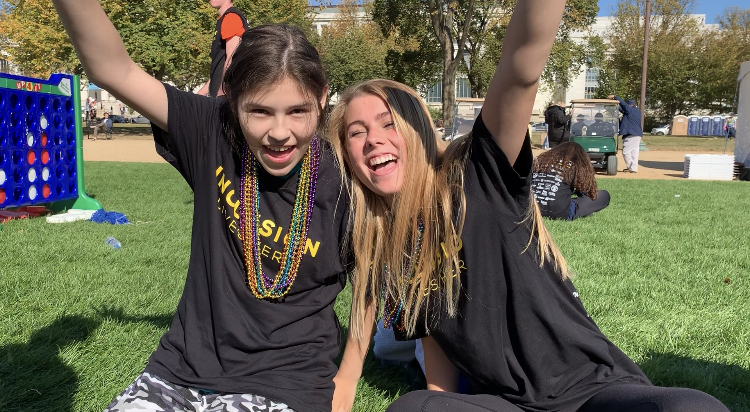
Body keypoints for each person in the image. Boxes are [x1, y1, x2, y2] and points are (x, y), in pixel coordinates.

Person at [329, 0, 731, 411]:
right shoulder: (396, 247)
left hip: (592, 391)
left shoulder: (479, 177)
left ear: (417, 129)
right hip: (507, 404)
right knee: (413, 408)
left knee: (691, 407)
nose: (372, 139)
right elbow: (438, 351)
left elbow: (521, 69)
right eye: (355, 133)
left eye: (387, 122)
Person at [51, 2, 367, 411]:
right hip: (179, 373)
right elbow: (114, 70)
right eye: (259, 111)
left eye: (298, 111)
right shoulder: (212, 131)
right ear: (233, 100)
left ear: (322, 99)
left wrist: (348, 376)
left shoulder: (345, 180)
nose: (279, 133)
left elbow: (371, 279)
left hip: (287, 383)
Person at [532, 142, 610, 220]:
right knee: (604, 195)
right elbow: (588, 192)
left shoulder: (541, 162)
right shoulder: (573, 165)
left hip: (532, 209)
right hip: (560, 212)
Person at [196, 0, 248, 98]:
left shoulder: (231, 18)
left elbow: (232, 57)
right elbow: (219, 66)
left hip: (225, 96)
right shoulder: (224, 19)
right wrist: (202, 92)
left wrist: (222, 90)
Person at [608, 94, 642, 173]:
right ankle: (633, 169)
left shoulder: (629, 110)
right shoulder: (636, 111)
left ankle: (631, 167)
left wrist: (615, 97)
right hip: (637, 134)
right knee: (634, 152)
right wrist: (614, 105)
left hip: (631, 134)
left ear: (630, 105)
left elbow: (623, 105)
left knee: (626, 152)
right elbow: (622, 109)